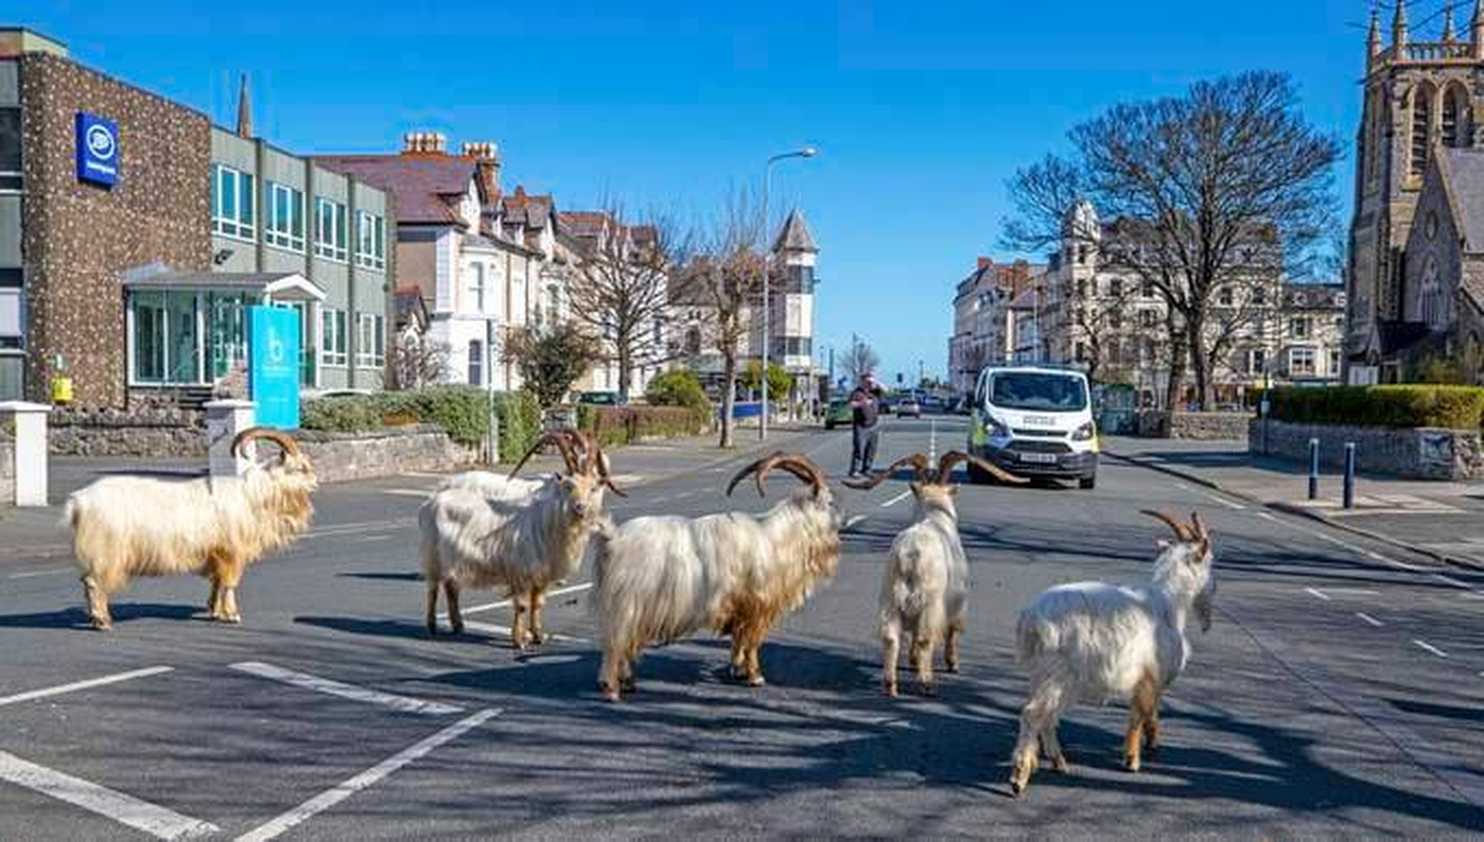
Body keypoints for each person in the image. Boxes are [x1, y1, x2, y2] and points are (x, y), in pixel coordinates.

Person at [848, 374, 885, 479]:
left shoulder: (875, 392)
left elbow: (885, 390)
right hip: (861, 425)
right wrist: (862, 403)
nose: (869, 384)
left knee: (871, 449)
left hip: (874, 424)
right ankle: (855, 470)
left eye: (871, 382)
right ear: (862, 382)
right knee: (859, 448)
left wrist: (876, 383)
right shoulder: (857, 392)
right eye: (867, 382)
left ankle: (867, 469)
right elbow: (851, 405)